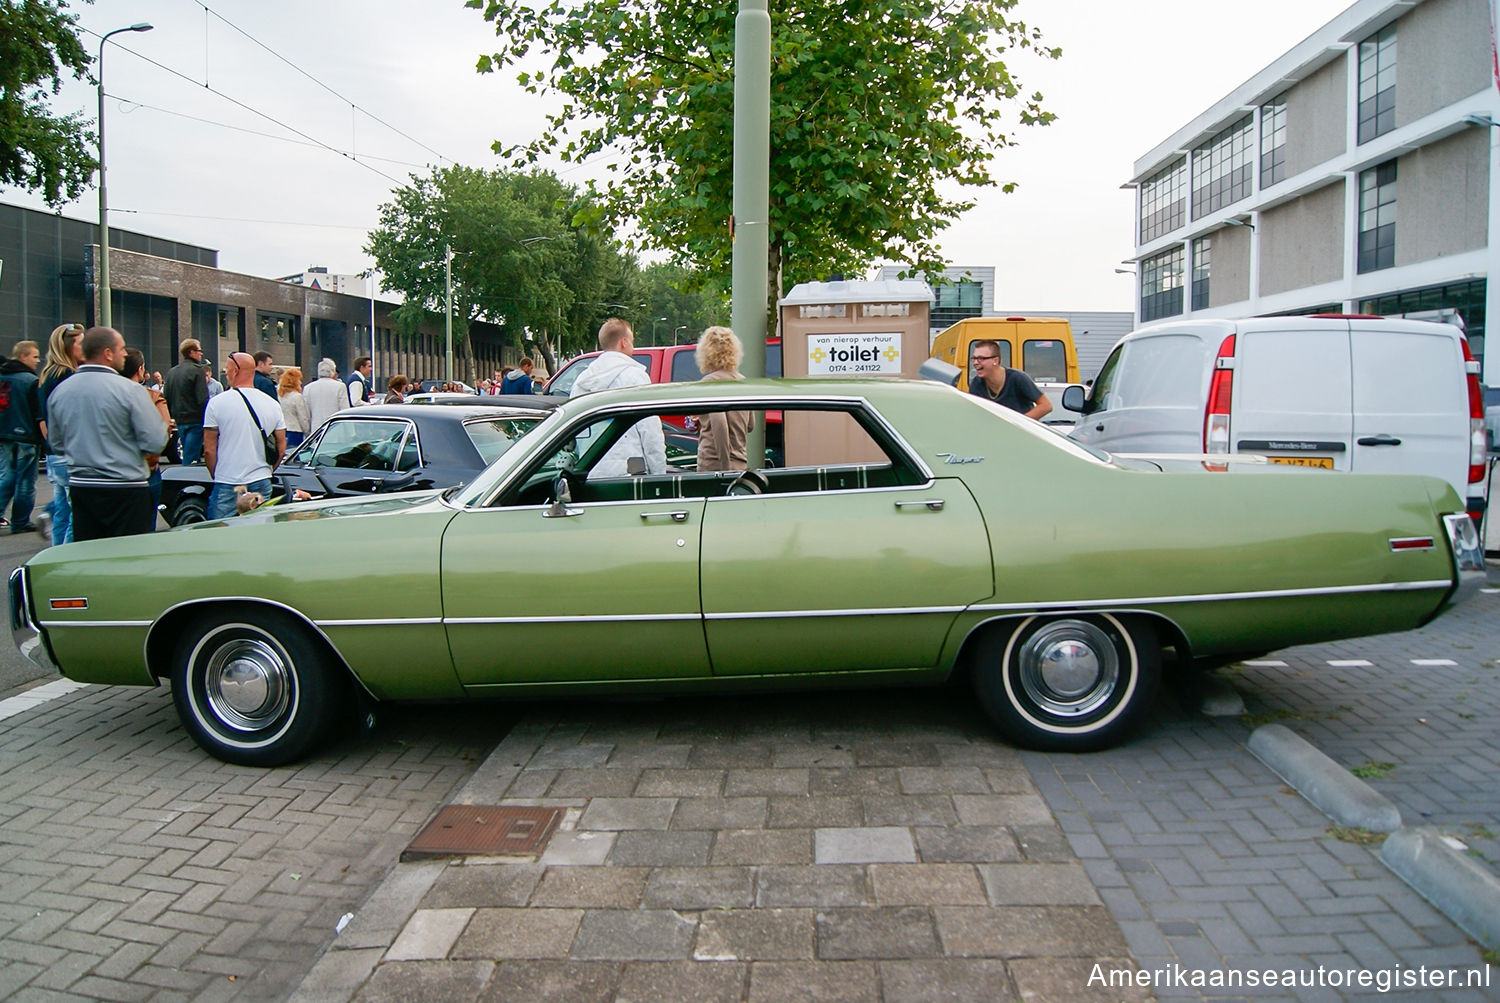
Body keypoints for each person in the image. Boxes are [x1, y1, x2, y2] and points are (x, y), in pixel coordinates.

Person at [46, 327, 169, 541]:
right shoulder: (130, 391)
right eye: (121, 348)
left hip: (83, 487)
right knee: (128, 555)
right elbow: (156, 440)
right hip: (126, 488)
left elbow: (56, 443)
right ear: (107, 353)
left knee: (91, 553)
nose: (124, 353)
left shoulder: (61, 391)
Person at [571, 317, 665, 477]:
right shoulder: (635, 377)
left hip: (592, 470)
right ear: (624, 342)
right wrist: (659, 474)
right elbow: (649, 431)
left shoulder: (582, 380)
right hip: (631, 469)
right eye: (632, 341)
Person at [203, 352, 286, 521]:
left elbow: (209, 450)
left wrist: (217, 473)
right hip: (261, 478)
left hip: (228, 478)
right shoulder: (272, 404)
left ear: (235, 371)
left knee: (220, 531)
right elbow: (281, 446)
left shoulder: (216, 404)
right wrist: (269, 469)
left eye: (227, 369)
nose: (226, 373)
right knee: (260, 531)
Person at [38, 322, 85, 544]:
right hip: (69, 452)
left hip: (54, 453)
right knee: (76, 515)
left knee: (61, 512)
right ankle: (65, 558)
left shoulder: (46, 376)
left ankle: (56, 554)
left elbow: (41, 419)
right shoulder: (68, 376)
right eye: (81, 343)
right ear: (69, 348)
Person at [693, 326, 754, 472]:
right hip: (740, 461)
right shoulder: (743, 382)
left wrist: (725, 467)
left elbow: (719, 424)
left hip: (714, 464)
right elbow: (751, 425)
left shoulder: (709, 383)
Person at [0, 340, 45, 532]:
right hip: (26, 435)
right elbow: (37, 412)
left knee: (7, 475)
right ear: (22, 356)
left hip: (5, 433)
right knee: (25, 480)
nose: (37, 360)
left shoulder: (4, 377)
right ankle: (20, 521)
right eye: (34, 356)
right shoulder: (30, 381)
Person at [122, 348, 172, 516]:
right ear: (140, 370)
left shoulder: (105, 394)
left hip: (112, 470)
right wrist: (151, 461)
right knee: (145, 523)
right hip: (145, 469)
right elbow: (162, 433)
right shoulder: (152, 396)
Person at [967, 339, 1052, 419]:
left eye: (981, 358)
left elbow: (1046, 406)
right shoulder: (976, 384)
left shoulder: (1018, 378)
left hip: (1021, 432)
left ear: (995, 360)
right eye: (974, 358)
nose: (975, 363)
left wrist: (1019, 422)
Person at [164, 339, 210, 463]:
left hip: (179, 420)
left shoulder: (172, 372)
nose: (201, 354)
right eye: (199, 351)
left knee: (187, 452)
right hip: (195, 420)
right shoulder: (197, 371)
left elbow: (166, 396)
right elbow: (202, 398)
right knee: (191, 457)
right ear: (191, 352)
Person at [305, 358, 349, 431]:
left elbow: (306, 415)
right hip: (335, 428)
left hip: (316, 429)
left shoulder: (308, 388)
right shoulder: (340, 386)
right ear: (333, 371)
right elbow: (344, 410)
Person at [278, 367, 311, 448]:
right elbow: (303, 417)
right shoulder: (297, 397)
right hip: (296, 431)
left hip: (283, 430)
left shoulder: (280, 396)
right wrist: (308, 433)